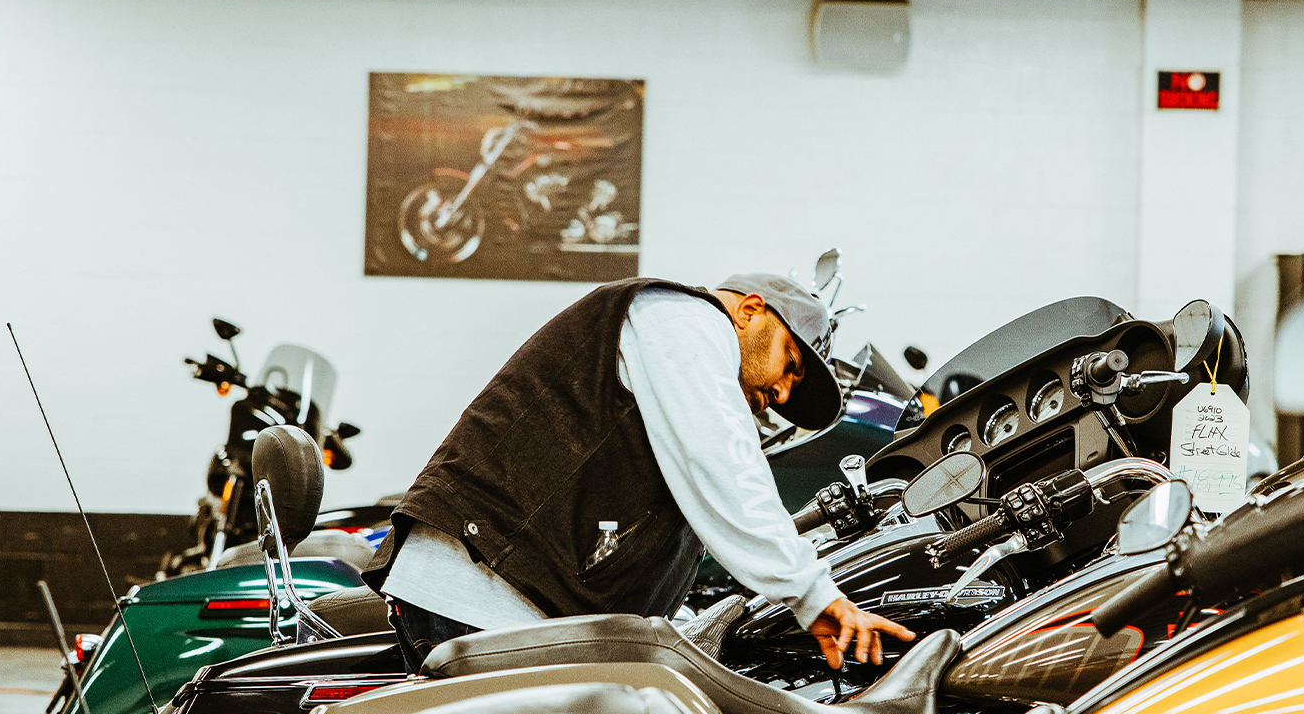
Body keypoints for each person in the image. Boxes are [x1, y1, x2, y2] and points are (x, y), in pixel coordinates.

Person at [362, 272, 915, 670]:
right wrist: (813, 594)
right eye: (790, 366)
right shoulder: (681, 321)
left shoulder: (682, 345)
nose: (778, 395)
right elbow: (720, 461)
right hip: (482, 599)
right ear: (750, 311)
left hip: (508, 605)